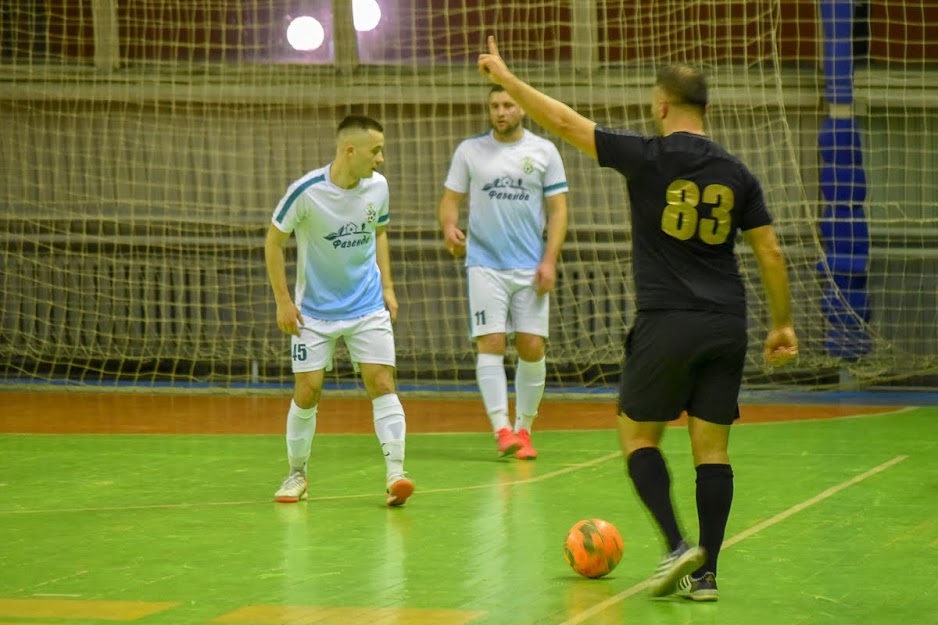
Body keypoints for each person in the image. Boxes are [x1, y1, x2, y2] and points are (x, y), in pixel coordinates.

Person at [478, 37, 798, 600]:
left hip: (666, 320)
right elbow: (770, 253)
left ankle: (677, 545)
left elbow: (562, 120)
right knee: (713, 450)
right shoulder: (738, 173)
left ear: (661, 104)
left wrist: (507, 79)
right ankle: (706, 575)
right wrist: (782, 325)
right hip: (727, 321)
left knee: (635, 434)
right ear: (706, 107)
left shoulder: (647, 157)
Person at [265, 114, 415, 507]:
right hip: (314, 312)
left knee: (382, 382)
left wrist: (387, 286)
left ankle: (396, 474)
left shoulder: (378, 187)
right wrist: (283, 300)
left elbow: (379, 232)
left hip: (367, 306)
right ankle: (297, 473)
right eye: (376, 150)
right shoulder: (306, 191)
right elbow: (273, 242)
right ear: (351, 150)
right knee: (308, 389)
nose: (381, 159)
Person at [438, 85, 570, 460]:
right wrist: (449, 228)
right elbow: (450, 202)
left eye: (508, 105)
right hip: (484, 265)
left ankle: (525, 428)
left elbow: (558, 210)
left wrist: (549, 260)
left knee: (532, 347)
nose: (500, 111)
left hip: (530, 266)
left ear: (522, 108)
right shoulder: (470, 151)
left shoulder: (544, 152)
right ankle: (502, 428)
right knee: (490, 343)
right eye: (494, 105)